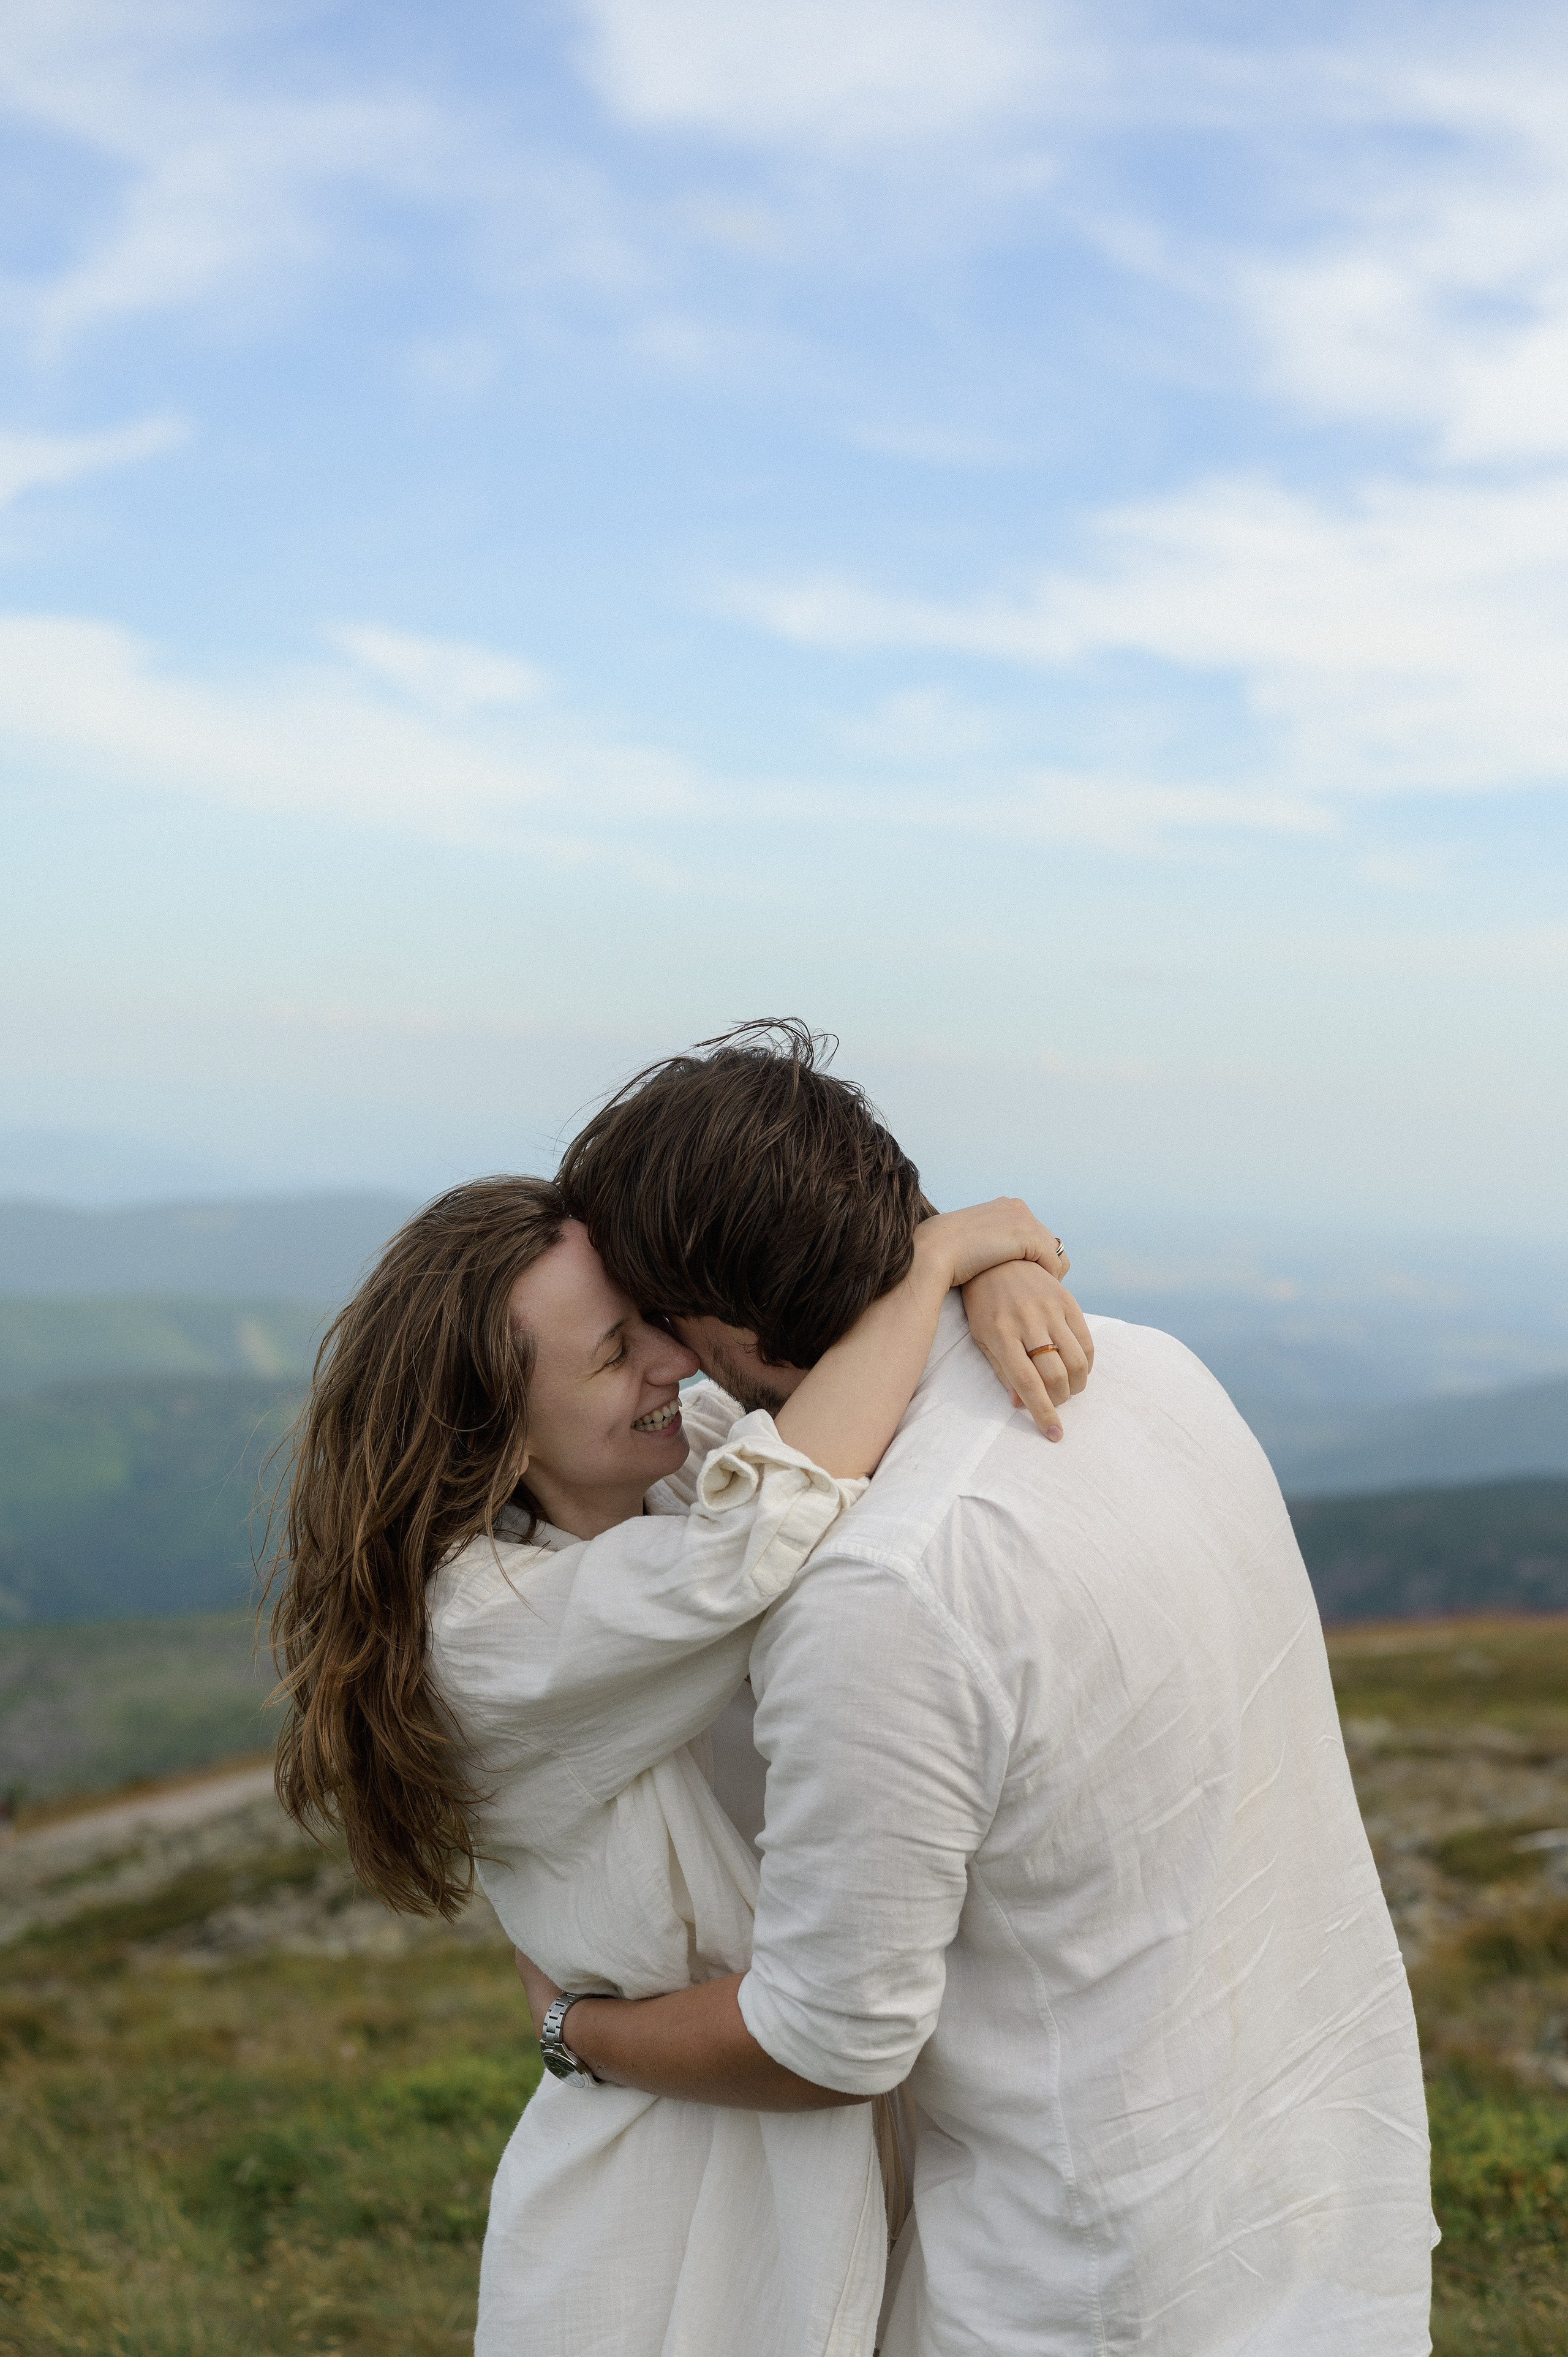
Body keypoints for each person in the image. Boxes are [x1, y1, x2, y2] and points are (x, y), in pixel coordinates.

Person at [516, 1020, 1436, 2357]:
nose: (667, 1362)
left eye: (662, 1321)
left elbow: (827, 2041)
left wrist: (575, 2026)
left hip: (1092, 2282)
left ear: (723, 1321)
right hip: (1323, 2211)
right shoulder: (1151, 1369)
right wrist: (974, 1249)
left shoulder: (885, 1589)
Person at [267, 1171, 1088, 2357]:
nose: (672, 1360)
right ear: (492, 1426)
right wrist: (938, 1257)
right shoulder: (486, 1628)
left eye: (650, 1319)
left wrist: (996, 1263)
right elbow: (768, 1527)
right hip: (674, 2208)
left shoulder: (660, 1473)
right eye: (613, 1351)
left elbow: (837, 1398)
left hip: (843, 2132)